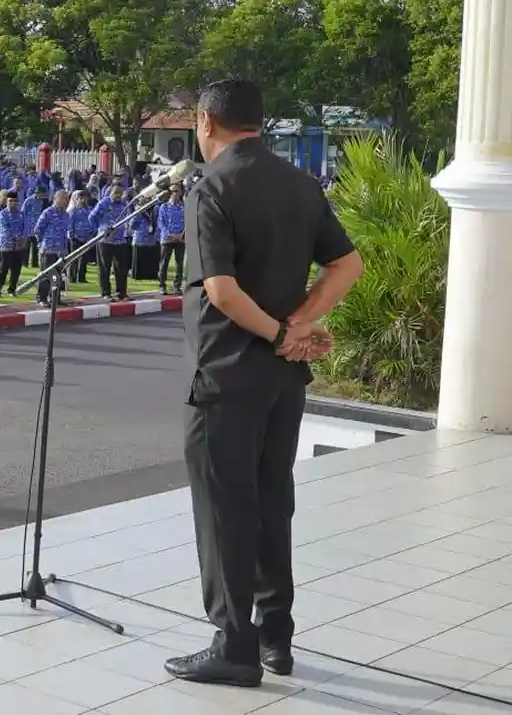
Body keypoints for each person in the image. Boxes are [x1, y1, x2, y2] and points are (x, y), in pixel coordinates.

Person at [164, 80, 363, 688]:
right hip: (282, 379)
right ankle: (276, 636)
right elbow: (346, 265)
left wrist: (279, 332)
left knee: (226, 508)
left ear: (205, 122)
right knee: (273, 502)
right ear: (260, 122)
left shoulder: (212, 187)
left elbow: (221, 292)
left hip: (227, 373)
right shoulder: (301, 184)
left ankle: (234, 645)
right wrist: (299, 325)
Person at [89, 184, 133, 301]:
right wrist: (100, 229)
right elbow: (92, 217)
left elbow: (129, 217)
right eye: (115, 193)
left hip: (120, 240)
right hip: (105, 241)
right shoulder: (104, 203)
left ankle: (122, 293)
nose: (118, 196)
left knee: (121, 269)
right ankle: (105, 292)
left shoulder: (124, 204)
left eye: (120, 193)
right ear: (110, 193)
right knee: (104, 268)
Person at [33, 190, 72, 306]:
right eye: (63, 198)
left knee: (57, 276)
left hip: (61, 251)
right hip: (49, 249)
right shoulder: (48, 212)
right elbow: (38, 229)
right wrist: (41, 242)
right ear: (56, 199)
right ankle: (41, 298)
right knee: (46, 275)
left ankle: (55, 297)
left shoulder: (66, 215)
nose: (66, 201)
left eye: (67, 199)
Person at [0, 192, 27, 298]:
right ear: (6, 201)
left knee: (16, 269)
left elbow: (25, 228)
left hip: (19, 246)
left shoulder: (21, 214)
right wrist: (16, 238)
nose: (12, 203)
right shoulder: (3, 214)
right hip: (7, 245)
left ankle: (12, 289)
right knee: (3, 269)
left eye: (15, 201)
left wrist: (22, 239)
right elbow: (5, 228)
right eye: (10, 201)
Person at [158, 184, 186, 295]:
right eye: (172, 191)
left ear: (180, 192)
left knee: (179, 264)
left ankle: (177, 286)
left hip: (180, 239)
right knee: (164, 263)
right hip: (167, 238)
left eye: (176, 191)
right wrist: (170, 235)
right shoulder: (164, 207)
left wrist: (181, 235)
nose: (174, 193)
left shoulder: (184, 207)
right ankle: (162, 285)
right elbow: (161, 223)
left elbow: (187, 223)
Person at [68, 190, 96, 284]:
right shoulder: (74, 211)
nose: (83, 200)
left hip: (87, 238)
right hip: (76, 238)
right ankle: (72, 277)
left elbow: (94, 223)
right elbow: (70, 225)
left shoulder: (91, 210)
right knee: (73, 259)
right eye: (81, 198)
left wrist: (92, 234)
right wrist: (73, 236)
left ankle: (81, 277)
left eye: (85, 197)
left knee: (84, 259)